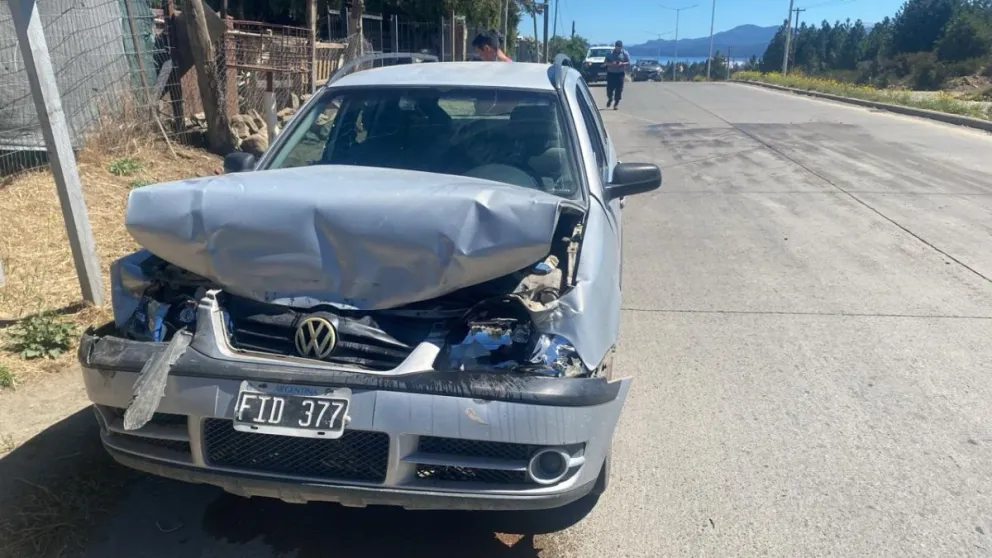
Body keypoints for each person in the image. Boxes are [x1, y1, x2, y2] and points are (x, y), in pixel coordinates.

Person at [604, 40, 630, 110]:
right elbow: (605, 62)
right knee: (609, 88)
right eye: (617, 47)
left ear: (621, 47)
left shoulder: (625, 53)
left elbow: (628, 62)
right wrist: (612, 64)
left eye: (619, 47)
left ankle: (616, 103)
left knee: (619, 89)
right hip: (611, 73)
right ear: (615, 46)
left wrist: (622, 63)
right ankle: (610, 98)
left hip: (620, 74)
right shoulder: (610, 52)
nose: (618, 48)